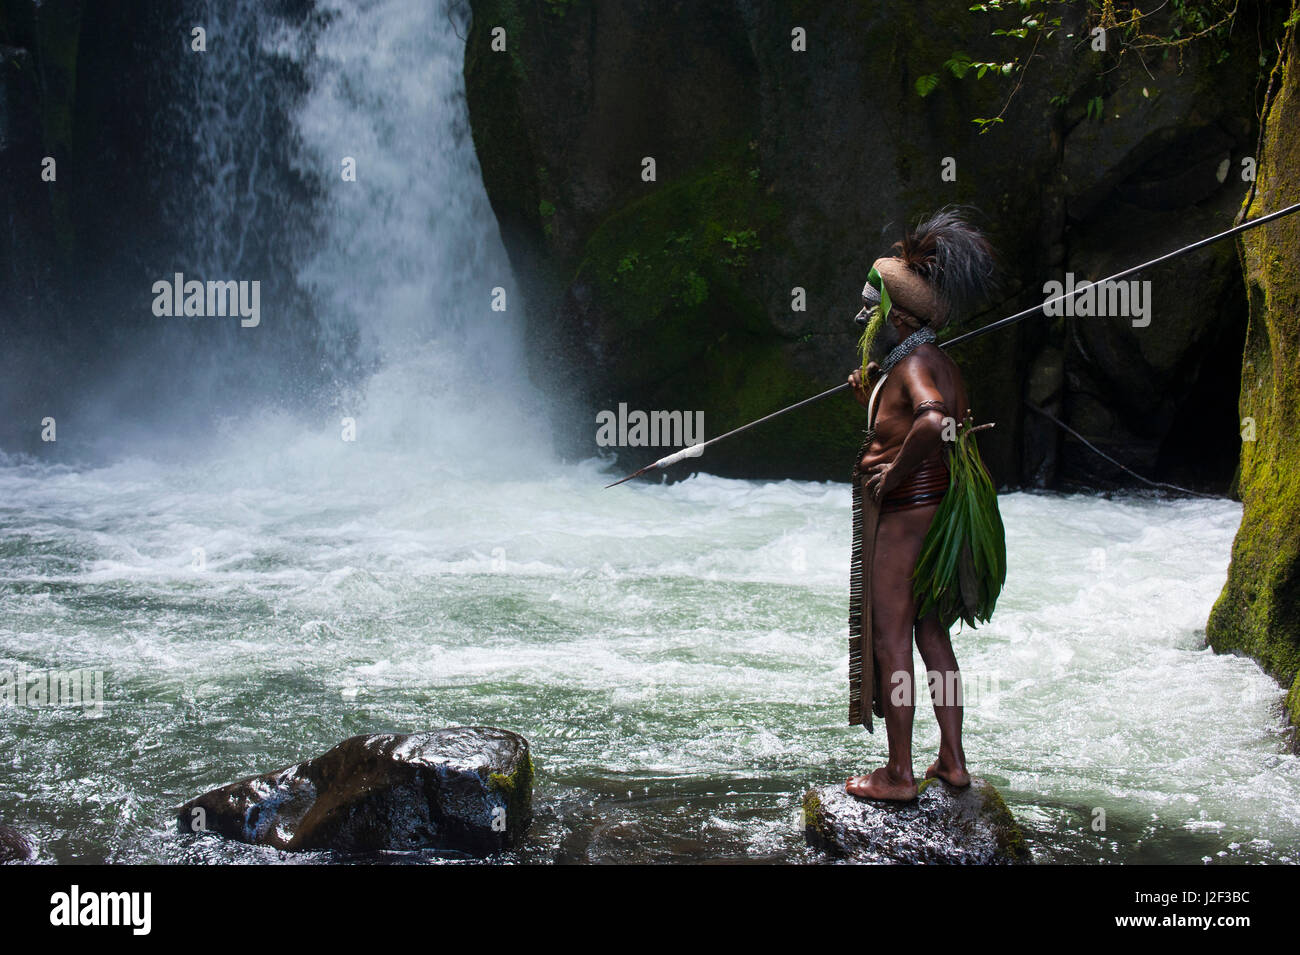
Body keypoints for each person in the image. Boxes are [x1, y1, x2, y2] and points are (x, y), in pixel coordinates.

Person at [843, 209, 995, 802]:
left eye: (872, 310)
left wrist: (892, 477)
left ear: (899, 316)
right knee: (933, 636)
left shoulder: (914, 365)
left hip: (908, 517)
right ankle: (952, 761)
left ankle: (899, 773)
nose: (866, 320)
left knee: (892, 639)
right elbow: (922, 421)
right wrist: (874, 405)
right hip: (936, 515)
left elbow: (931, 421)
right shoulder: (934, 362)